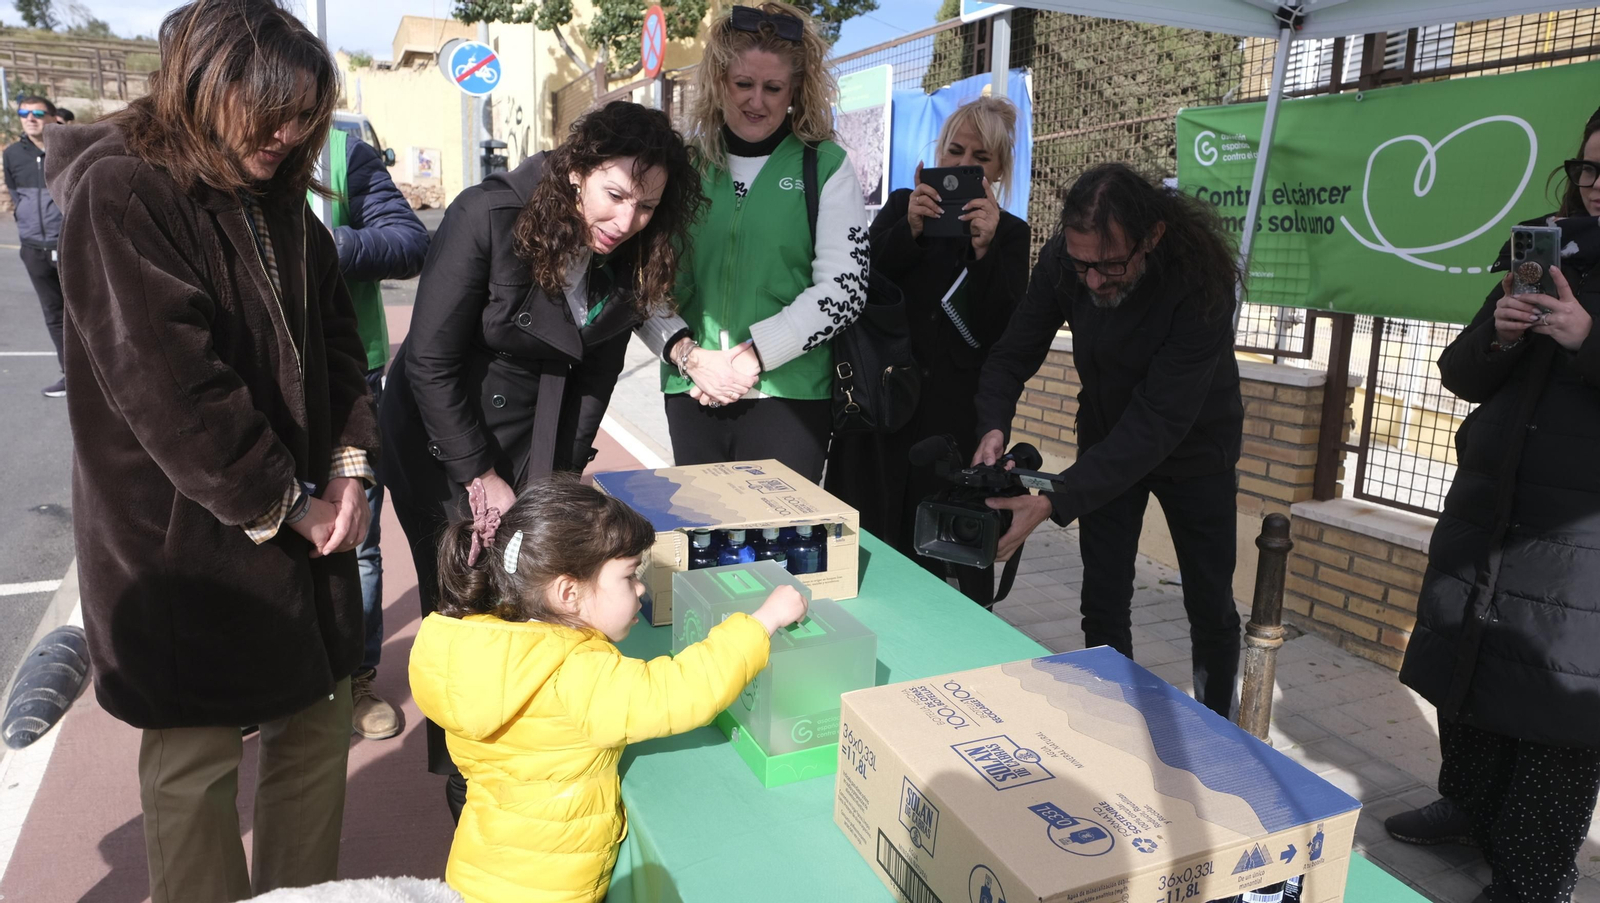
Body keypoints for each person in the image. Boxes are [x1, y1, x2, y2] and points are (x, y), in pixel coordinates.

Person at [47, 1, 377, 900]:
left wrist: (349, 465)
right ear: (201, 82)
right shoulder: (124, 192)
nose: (287, 133)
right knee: (194, 761)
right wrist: (290, 502)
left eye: (303, 114)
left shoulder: (285, 205)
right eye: (269, 109)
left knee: (316, 730)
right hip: (179, 538)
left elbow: (343, 345)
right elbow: (173, 388)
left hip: (307, 518)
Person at [379, 100, 703, 818]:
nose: (626, 221)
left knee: (532, 592)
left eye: (648, 206)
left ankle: (528, 756)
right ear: (577, 170)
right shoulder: (487, 216)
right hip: (442, 438)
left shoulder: (634, 253)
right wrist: (478, 474)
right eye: (615, 195)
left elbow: (594, 380)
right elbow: (428, 360)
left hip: (538, 430)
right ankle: (468, 782)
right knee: (469, 607)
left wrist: (558, 486)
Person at [1385, 107, 1600, 903]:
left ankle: (1534, 874)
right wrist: (1504, 331)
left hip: (1580, 531)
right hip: (1494, 502)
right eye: (1589, 168)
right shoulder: (1549, 246)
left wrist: (1586, 337)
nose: (1596, 185)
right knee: (1471, 656)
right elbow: (1462, 372)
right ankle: (1469, 804)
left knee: (1557, 697)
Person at [409, 476, 807, 903]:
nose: (640, 588)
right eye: (630, 575)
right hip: (550, 890)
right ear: (568, 592)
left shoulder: (484, 644)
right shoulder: (576, 675)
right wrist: (763, 621)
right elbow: (678, 691)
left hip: (481, 868)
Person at [971, 163, 1245, 718]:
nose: (1093, 281)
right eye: (1083, 266)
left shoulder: (1201, 281)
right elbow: (1012, 354)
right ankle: (1116, 722)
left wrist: (1053, 500)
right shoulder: (1065, 260)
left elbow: (1157, 421)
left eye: (1111, 266)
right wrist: (992, 425)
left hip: (1196, 449)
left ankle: (1219, 727)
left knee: (1210, 604)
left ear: (1153, 237)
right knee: (1102, 597)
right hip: (1106, 434)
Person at [825, 96, 1029, 606]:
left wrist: (984, 251)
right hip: (879, 409)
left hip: (950, 424)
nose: (963, 165)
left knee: (936, 558)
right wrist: (909, 232)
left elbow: (1004, 332)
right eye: (955, 151)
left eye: (980, 158)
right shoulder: (902, 207)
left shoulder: (1011, 234)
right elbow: (858, 288)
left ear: (999, 170)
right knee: (863, 543)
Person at [654, 1, 867, 483]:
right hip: (694, 387)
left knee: (778, 534)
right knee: (701, 528)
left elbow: (845, 288)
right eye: (743, 84)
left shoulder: (827, 166)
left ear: (795, 90)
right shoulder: (683, 165)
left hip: (791, 395)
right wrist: (690, 356)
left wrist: (753, 356)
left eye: (773, 88)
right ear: (719, 82)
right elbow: (647, 281)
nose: (757, 101)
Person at [322, 127, 430, 740]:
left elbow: (407, 242)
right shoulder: (204, 143)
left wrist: (319, 245)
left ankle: (355, 678)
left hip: (349, 374)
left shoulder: (342, 154)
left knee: (356, 535)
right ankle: (267, 681)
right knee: (254, 535)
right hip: (253, 374)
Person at [3, 94, 65, 396]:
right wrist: (22, 219)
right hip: (32, 248)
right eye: (23, 113)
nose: (30, 118)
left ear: (53, 118)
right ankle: (71, 376)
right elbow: (15, 192)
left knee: (87, 315)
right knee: (54, 315)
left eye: (38, 113)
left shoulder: (68, 150)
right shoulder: (13, 154)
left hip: (68, 247)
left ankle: (102, 377)